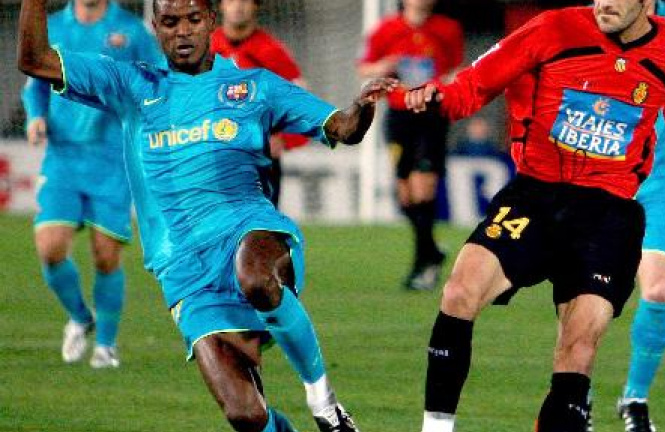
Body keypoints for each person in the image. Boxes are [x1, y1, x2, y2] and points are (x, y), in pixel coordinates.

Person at [17, 0, 396, 430]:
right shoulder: (132, 84)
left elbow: (341, 127)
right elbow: (34, 60)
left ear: (211, 21)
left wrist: (361, 107)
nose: (183, 31)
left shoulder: (253, 86)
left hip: (248, 230)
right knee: (246, 415)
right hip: (184, 269)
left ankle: (325, 405)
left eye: (193, 20)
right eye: (170, 22)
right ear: (155, 27)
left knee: (255, 276)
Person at [401, 1, 665, 431]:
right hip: (535, 196)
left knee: (579, 346)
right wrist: (440, 97)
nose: (604, 3)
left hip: (608, 216)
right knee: (459, 292)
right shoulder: (554, 28)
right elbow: (477, 83)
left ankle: (621, 402)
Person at [20, 0, 162, 368]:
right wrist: (36, 117)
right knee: (50, 247)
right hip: (63, 157)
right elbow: (35, 82)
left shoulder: (131, 30)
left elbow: (158, 80)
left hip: (113, 159)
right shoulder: (52, 26)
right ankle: (81, 317)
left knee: (106, 253)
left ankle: (105, 346)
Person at [615, 1, 665, 430]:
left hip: (661, 176)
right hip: (604, 173)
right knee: (587, 296)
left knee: (660, 290)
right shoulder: (594, 17)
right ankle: (575, 394)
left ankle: (635, 399)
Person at [357, 0, 463, 291]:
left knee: (423, 186)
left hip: (431, 115)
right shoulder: (385, 30)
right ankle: (432, 251)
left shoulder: (447, 29)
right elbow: (364, 68)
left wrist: (444, 83)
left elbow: (457, 69)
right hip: (399, 117)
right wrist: (384, 67)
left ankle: (422, 263)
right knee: (405, 195)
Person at [210, 0, 309, 207]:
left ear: (256, 6)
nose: (238, 6)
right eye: (231, 0)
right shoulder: (206, 48)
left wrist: (284, 137)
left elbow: (299, 99)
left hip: (260, 155)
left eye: (245, 0)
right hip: (214, 152)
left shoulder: (272, 50)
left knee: (262, 220)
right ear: (221, 5)